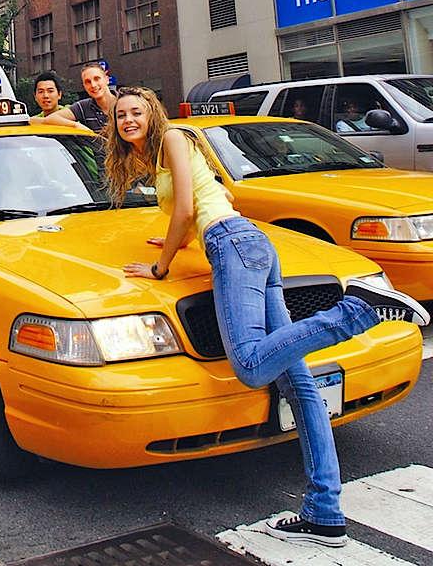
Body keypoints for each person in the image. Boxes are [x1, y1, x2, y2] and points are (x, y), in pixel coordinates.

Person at [105, 86, 429, 548]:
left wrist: (162, 264)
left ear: (153, 113)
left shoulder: (174, 136)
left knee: (251, 365)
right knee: (300, 387)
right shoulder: (154, 160)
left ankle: (357, 310)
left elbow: (189, 208)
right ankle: (325, 512)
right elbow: (211, 201)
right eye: (121, 115)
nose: (128, 120)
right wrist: (180, 238)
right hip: (246, 245)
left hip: (234, 246)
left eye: (136, 111)